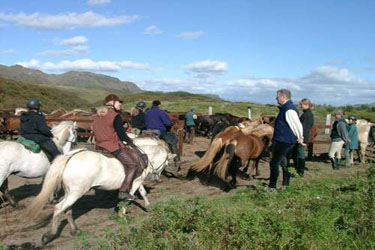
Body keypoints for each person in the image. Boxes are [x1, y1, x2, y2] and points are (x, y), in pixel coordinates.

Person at [93, 94, 145, 200]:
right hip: (112, 147)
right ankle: (124, 191)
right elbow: (122, 135)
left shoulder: (97, 115)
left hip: (99, 146)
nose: (120, 104)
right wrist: (130, 142)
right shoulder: (115, 116)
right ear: (112, 103)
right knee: (133, 165)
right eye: (118, 102)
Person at [267, 89, 304, 191]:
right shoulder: (286, 108)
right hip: (284, 140)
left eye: (277, 96)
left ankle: (272, 187)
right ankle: (285, 185)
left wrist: (300, 137)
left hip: (284, 141)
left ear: (283, 97)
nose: (276, 98)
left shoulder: (289, 109)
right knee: (285, 162)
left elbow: (297, 125)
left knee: (274, 163)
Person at [144, 100, 181, 164]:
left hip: (147, 132)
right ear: (159, 105)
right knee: (172, 142)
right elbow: (167, 123)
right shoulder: (161, 112)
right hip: (159, 132)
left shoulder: (147, 112)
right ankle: (177, 160)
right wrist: (171, 124)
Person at [290, 98, 314, 177]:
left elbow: (305, 128)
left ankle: (300, 171)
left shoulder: (307, 114)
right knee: (298, 153)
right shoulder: (307, 113)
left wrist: (302, 138)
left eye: (301, 104)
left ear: (306, 104)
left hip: (302, 137)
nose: (300, 106)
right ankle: (298, 169)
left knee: (300, 154)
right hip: (303, 137)